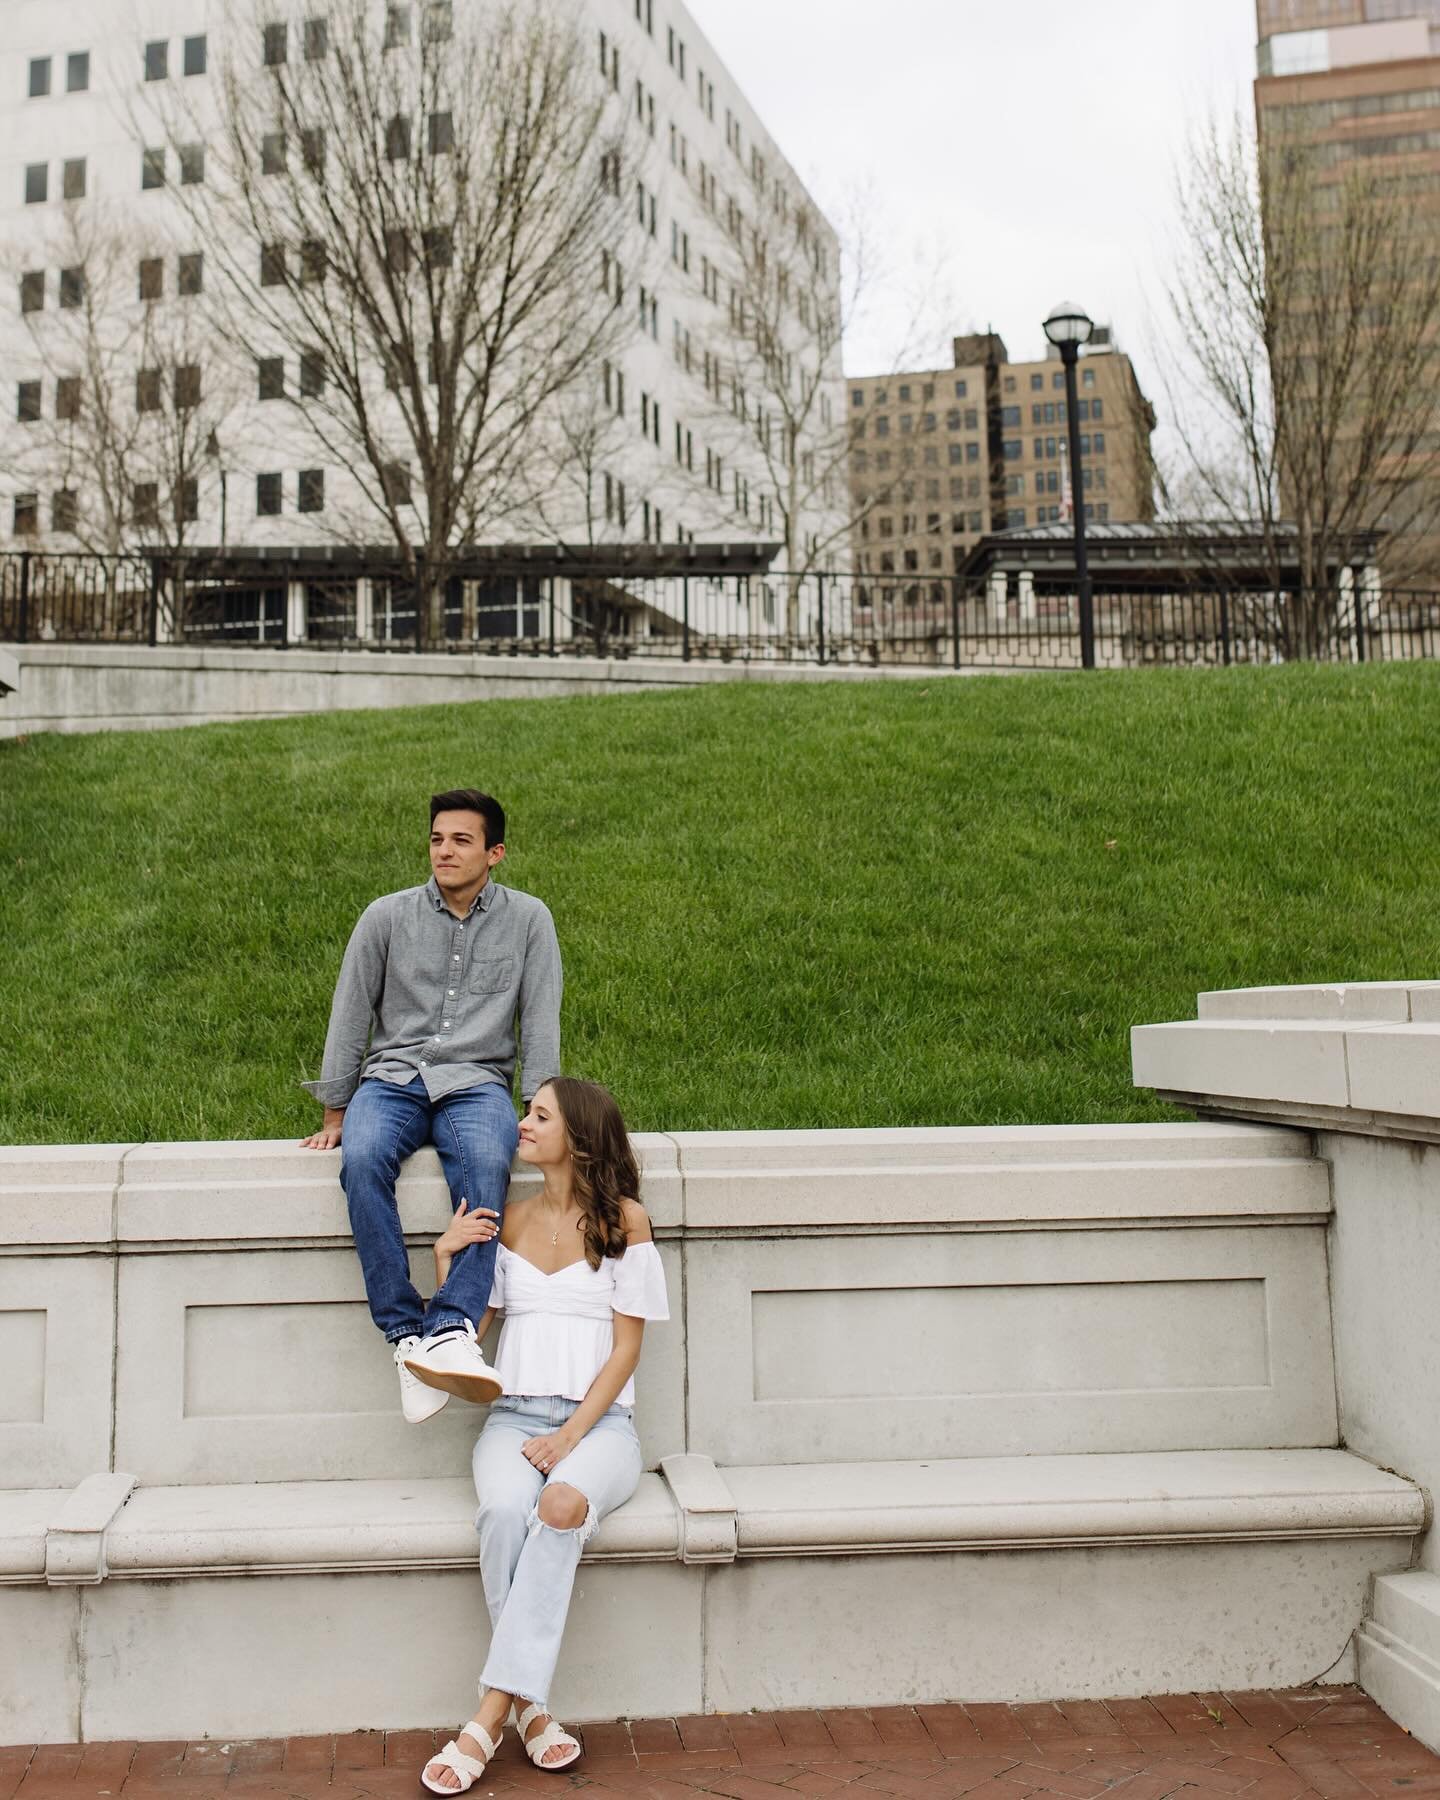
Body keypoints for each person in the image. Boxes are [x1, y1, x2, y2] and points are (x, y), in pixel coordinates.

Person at [416, 1077, 668, 1792]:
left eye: (539, 1115)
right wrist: (445, 1265)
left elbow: (626, 1353)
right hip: (513, 1419)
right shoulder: (512, 1222)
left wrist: (568, 1442)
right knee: (501, 1511)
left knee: (559, 1507)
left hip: (602, 1432)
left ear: (579, 1138)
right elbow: (465, 1343)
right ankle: (530, 1709)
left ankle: (487, 1716)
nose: (522, 1124)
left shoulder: (628, 1223)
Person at [299, 788, 561, 1423]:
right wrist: (337, 1108)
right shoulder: (385, 917)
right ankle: (404, 1335)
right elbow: (351, 1011)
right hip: (392, 1077)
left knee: (488, 1162)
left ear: (495, 853)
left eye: (462, 840)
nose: (445, 850)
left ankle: (451, 1328)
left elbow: (540, 1019)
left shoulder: (529, 920)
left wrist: (541, 1109)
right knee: (360, 1162)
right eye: (437, 839)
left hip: (476, 1080)